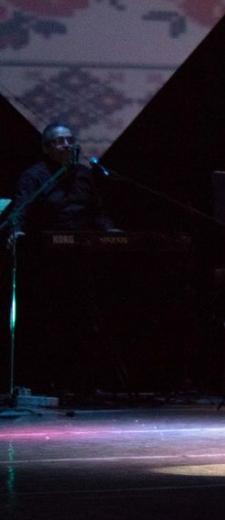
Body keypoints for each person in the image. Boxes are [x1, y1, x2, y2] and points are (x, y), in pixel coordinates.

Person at [2, 123, 119, 396]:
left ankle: (84, 383)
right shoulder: (35, 176)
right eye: (59, 141)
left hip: (81, 255)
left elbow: (98, 211)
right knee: (49, 320)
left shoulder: (84, 175)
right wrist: (16, 230)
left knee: (84, 318)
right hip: (45, 257)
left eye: (69, 140)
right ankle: (45, 381)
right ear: (47, 148)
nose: (67, 145)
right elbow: (21, 208)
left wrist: (110, 231)